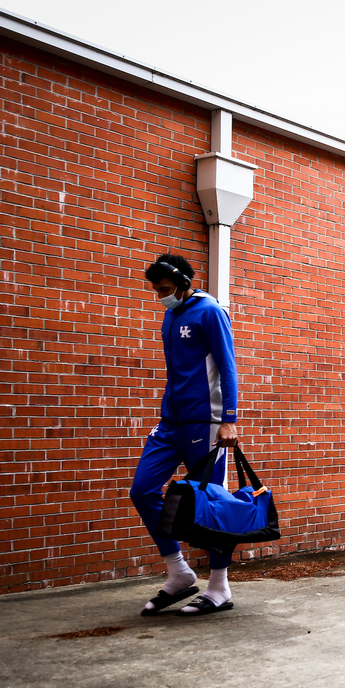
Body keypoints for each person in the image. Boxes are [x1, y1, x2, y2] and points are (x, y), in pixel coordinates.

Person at [130, 253, 240, 616]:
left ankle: (219, 587)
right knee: (143, 490)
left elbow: (227, 366)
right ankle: (179, 572)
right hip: (171, 422)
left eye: (164, 289)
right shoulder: (170, 314)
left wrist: (229, 418)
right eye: (156, 290)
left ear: (182, 282)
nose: (159, 295)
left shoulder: (210, 311)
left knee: (209, 503)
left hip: (206, 424)